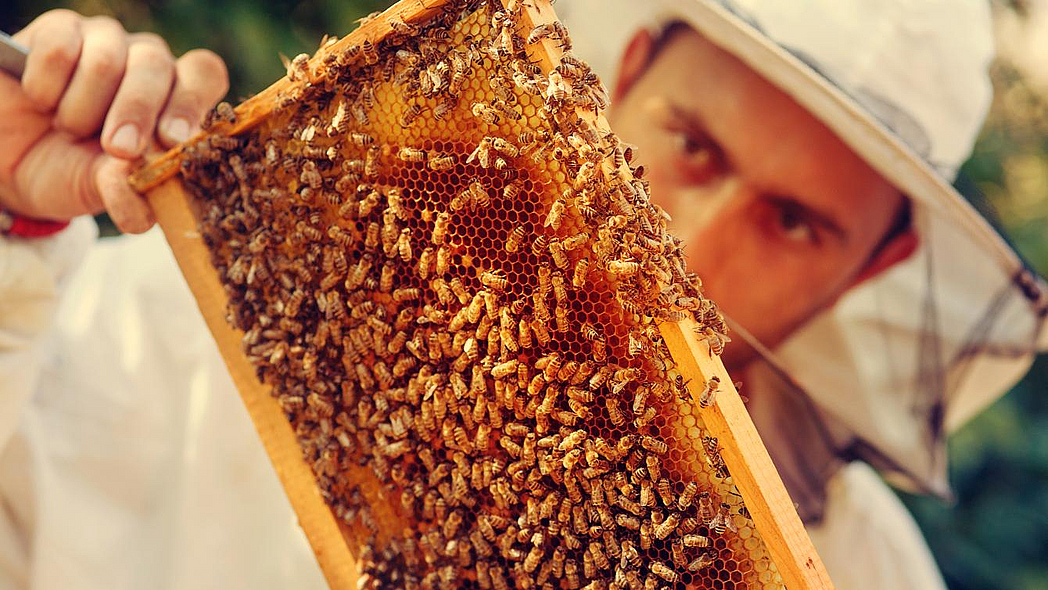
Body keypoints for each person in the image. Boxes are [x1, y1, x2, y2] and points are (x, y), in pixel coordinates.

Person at [0, 2, 1044, 590]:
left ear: (864, 268)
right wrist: (10, 233)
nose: (692, 244)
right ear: (612, 82)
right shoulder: (198, 328)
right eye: (690, 146)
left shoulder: (866, 572)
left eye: (795, 221)